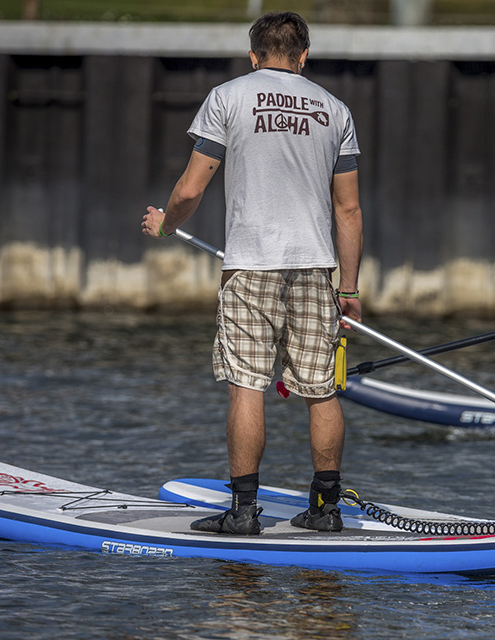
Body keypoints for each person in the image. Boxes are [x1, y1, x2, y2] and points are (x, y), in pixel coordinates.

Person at [141, 11, 364, 535]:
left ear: (253, 55)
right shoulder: (336, 110)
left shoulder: (228, 96)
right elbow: (349, 210)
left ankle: (243, 512)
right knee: (321, 391)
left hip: (251, 265)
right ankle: (327, 509)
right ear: (304, 55)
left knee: (247, 386)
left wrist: (166, 225)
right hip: (315, 268)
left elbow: (192, 188)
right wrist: (348, 288)